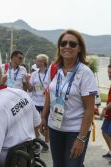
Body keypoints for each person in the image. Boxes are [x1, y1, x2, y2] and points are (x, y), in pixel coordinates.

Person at [40, 29, 98, 167]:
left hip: (75, 131)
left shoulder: (85, 73)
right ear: (59, 47)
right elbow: (49, 93)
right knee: (58, 165)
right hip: (55, 128)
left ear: (79, 49)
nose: (67, 46)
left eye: (72, 44)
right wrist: (43, 117)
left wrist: (81, 138)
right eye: (63, 43)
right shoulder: (54, 68)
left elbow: (89, 109)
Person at [26, 54, 50, 153]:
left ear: (44, 62)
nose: (37, 62)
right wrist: (27, 82)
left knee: (47, 124)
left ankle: (46, 143)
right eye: (36, 60)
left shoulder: (50, 73)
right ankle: (37, 140)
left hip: (46, 102)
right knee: (34, 123)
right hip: (35, 101)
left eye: (39, 61)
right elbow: (30, 89)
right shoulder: (34, 74)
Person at [101, 64, 111, 161]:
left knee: (108, 134)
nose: (109, 74)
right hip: (109, 115)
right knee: (104, 132)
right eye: (108, 72)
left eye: (110, 73)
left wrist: (104, 109)